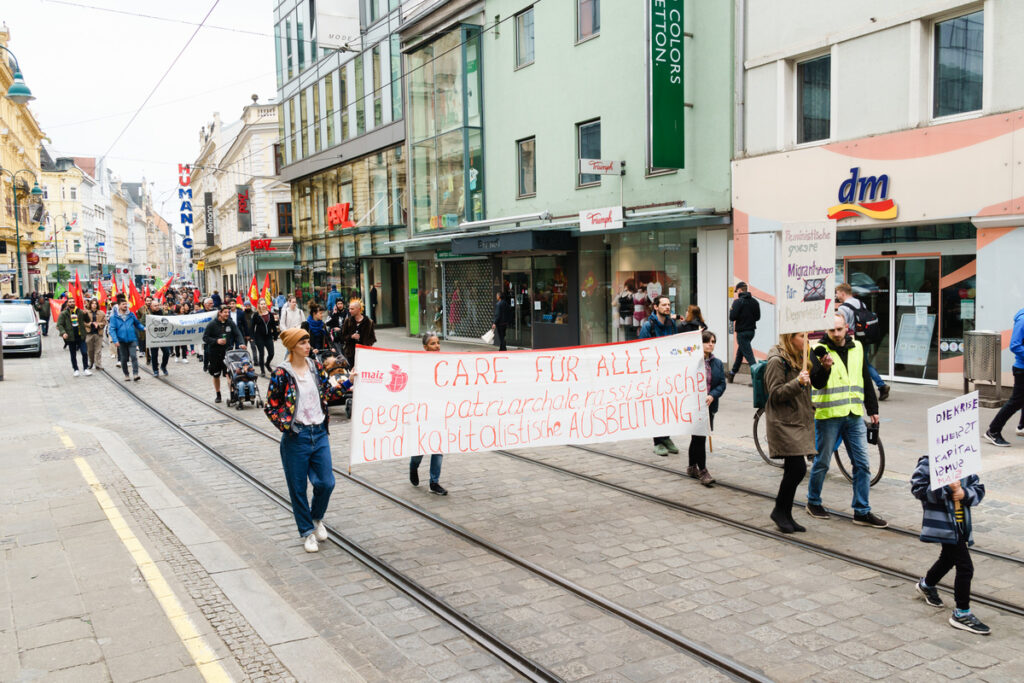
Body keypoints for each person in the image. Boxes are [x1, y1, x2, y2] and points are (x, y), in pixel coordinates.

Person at [264, 328, 348, 552]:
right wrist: (286, 425)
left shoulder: (315, 366)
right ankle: (306, 532)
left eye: (308, 341)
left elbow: (328, 394)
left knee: (326, 482)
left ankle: (316, 518)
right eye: (302, 342)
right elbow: (270, 405)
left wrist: (349, 382)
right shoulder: (282, 373)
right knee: (298, 488)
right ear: (292, 346)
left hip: (319, 433)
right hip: (297, 437)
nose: (307, 345)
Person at [806, 314, 887, 528]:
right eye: (832, 330)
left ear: (847, 328)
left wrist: (873, 408)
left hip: (853, 415)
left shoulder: (858, 347)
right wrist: (825, 367)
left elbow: (864, 377)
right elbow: (816, 382)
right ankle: (813, 501)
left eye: (840, 329)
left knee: (862, 464)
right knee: (822, 462)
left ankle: (862, 510)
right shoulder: (817, 350)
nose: (836, 334)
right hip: (829, 416)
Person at [910, 455, 990, 635]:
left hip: (961, 526)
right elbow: (918, 488)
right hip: (943, 526)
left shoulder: (964, 462)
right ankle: (961, 613)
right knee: (965, 567)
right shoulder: (929, 462)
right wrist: (946, 488)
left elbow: (978, 489)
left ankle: (927, 584)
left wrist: (964, 494)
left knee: (947, 558)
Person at [764, 332, 829, 533]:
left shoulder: (801, 358)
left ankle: (784, 512)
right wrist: (798, 383)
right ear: (790, 338)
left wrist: (825, 368)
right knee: (797, 469)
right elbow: (775, 394)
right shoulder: (777, 361)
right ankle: (780, 511)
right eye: (802, 336)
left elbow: (817, 382)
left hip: (798, 420)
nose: (806, 340)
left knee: (795, 469)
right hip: (784, 422)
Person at [638, 295, 680, 456]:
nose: (667, 307)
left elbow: (676, 345)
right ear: (655, 307)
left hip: (669, 372)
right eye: (664, 305)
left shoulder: (671, 324)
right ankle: (657, 441)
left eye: (669, 304)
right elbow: (642, 349)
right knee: (656, 407)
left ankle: (666, 437)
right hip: (654, 373)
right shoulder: (648, 326)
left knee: (668, 406)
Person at [836, 283, 890, 401]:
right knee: (863, 362)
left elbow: (840, 325)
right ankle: (878, 386)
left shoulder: (842, 308)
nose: (836, 295)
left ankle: (880, 386)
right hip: (864, 338)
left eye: (837, 293)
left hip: (851, 340)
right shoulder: (861, 303)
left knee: (861, 364)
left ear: (843, 293)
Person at [410, 333, 448, 495]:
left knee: (438, 449)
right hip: (423, 413)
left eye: (438, 343)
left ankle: (434, 482)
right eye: (433, 344)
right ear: (425, 347)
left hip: (440, 413)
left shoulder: (446, 363)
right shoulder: (418, 364)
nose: (437, 346)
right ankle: (414, 466)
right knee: (420, 448)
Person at [688, 330, 726, 486]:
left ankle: (691, 466)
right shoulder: (693, 361)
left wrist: (712, 395)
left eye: (713, 341)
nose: (711, 344)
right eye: (707, 341)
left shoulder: (717, 363)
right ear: (700, 343)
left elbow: (722, 384)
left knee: (697, 437)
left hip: (709, 406)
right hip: (694, 405)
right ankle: (703, 471)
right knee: (699, 437)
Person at [984, 305, 1024, 447]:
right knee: (1015, 402)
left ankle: (1021, 426)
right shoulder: (1023, 320)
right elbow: (1015, 345)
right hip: (1022, 369)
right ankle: (993, 431)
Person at [203, 305, 246, 403]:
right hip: (215, 353)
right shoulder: (212, 324)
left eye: (228, 312)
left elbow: (237, 333)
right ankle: (218, 394)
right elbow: (205, 338)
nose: (227, 314)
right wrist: (216, 341)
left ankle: (232, 394)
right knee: (216, 375)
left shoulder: (230, 323)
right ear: (220, 313)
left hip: (227, 353)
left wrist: (242, 343)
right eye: (225, 312)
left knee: (229, 374)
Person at [727, 281, 760, 383]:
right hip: (751, 332)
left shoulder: (737, 302)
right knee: (740, 353)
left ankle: (757, 379)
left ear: (740, 290)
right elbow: (758, 317)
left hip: (742, 332)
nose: (737, 293)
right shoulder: (755, 302)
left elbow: (732, 317)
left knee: (749, 357)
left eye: (737, 291)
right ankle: (732, 373)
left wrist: (733, 311)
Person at [109, 296, 145, 381]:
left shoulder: (131, 314)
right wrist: (115, 340)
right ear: (119, 306)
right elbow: (112, 329)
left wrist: (143, 328)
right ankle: (126, 374)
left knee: (133, 356)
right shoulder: (114, 317)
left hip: (132, 339)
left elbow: (137, 323)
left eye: (126, 304)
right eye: (123, 304)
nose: (125, 305)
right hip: (121, 341)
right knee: (124, 358)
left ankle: (135, 374)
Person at [57, 298, 92, 376]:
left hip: (81, 336)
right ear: (67, 304)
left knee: (84, 352)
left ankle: (85, 368)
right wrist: (63, 333)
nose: (72, 303)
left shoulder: (80, 312)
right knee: (73, 354)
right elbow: (59, 324)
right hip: (71, 337)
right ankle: (75, 369)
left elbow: (87, 321)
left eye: (73, 301)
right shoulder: (64, 314)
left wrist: (86, 314)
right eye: (70, 302)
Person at [339, 299, 376, 368]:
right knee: (353, 373)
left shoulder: (369, 322)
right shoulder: (348, 321)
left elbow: (372, 338)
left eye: (352, 309)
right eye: (349, 309)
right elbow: (342, 337)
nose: (350, 311)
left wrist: (365, 345)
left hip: (364, 353)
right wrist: (351, 337)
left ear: (358, 309)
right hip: (350, 353)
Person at [250, 298, 280, 375]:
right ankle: (262, 370)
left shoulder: (270, 314)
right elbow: (252, 327)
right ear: (259, 305)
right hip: (259, 337)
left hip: (268, 337)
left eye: (264, 304)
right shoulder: (256, 315)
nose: (263, 305)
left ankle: (267, 363)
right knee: (261, 353)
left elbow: (273, 326)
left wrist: (275, 336)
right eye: (262, 304)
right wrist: (252, 337)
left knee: (271, 353)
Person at [146, 300, 171, 377]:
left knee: (167, 352)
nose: (157, 307)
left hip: (163, 337)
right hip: (153, 337)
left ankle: (163, 366)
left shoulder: (163, 312)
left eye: (158, 305)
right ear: (151, 306)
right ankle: (155, 370)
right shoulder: (147, 313)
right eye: (155, 306)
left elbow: (169, 321)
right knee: (154, 354)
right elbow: (142, 322)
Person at [85, 298, 106, 371]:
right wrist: (91, 324)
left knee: (98, 350)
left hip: (98, 333)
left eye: (95, 303)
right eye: (92, 303)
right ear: (90, 304)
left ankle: (98, 364)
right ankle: (91, 362)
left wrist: (98, 324)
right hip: (89, 333)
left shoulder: (101, 313)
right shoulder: (86, 313)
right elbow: (83, 322)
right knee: (90, 350)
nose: (94, 305)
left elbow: (104, 322)